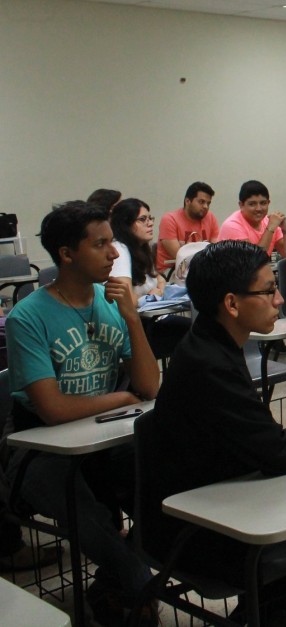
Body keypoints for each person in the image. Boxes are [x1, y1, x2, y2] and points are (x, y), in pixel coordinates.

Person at [146, 240, 286, 627]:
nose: (280, 299)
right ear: (232, 304)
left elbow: (263, 443)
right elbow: (279, 453)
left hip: (228, 498)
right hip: (206, 532)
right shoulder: (209, 364)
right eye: (268, 290)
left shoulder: (211, 343)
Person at [4, 200, 160, 625]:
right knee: (85, 510)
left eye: (112, 241)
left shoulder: (111, 302)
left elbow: (149, 387)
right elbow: (52, 409)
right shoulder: (28, 317)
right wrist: (119, 400)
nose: (114, 253)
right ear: (67, 254)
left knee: (164, 480)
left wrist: (131, 318)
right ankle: (134, 585)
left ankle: (112, 589)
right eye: (101, 244)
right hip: (42, 449)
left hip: (105, 439)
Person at [110, 198, 165, 305]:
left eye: (150, 218)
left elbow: (160, 280)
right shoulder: (119, 250)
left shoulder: (142, 247)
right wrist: (149, 297)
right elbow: (125, 300)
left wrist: (159, 291)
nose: (150, 224)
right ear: (125, 224)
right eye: (142, 219)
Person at [156, 181, 219, 271]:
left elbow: (216, 251)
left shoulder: (210, 217)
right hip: (170, 274)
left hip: (201, 270)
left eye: (208, 203)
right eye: (201, 202)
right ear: (187, 201)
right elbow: (180, 256)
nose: (206, 207)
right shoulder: (170, 219)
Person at [220, 180, 286, 257]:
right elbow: (253, 261)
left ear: (268, 203)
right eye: (252, 204)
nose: (259, 209)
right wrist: (270, 228)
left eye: (263, 203)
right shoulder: (231, 226)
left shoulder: (270, 222)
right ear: (241, 205)